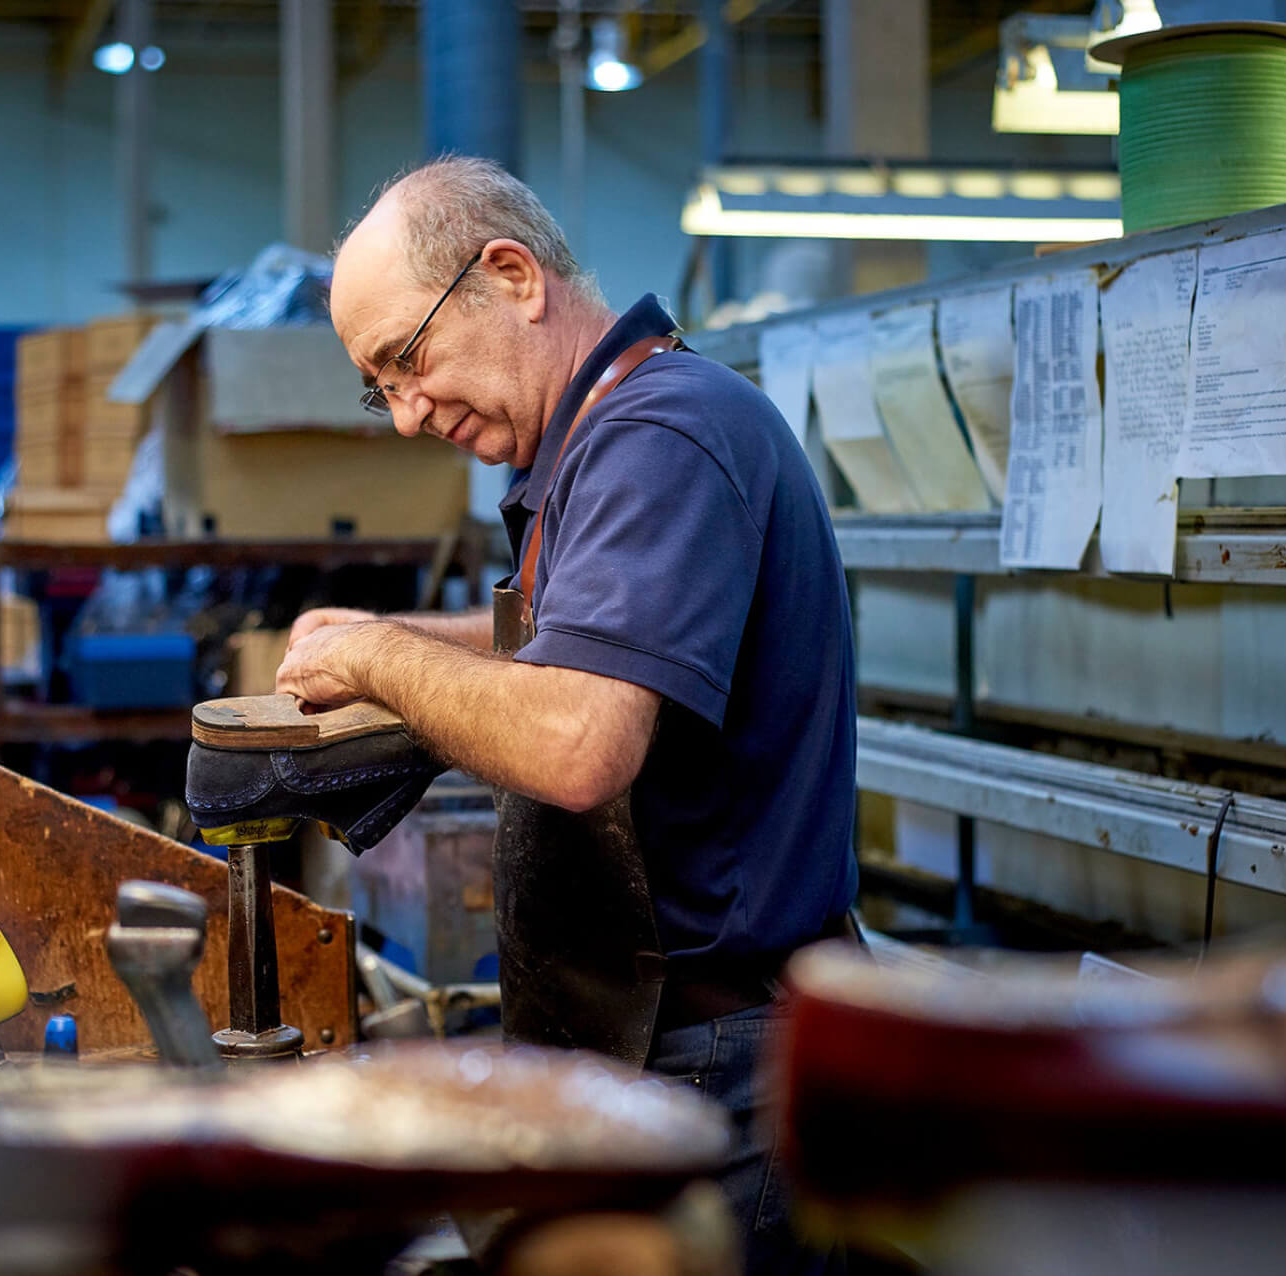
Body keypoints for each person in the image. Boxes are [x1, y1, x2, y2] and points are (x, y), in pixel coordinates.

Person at [276, 156, 857, 1274]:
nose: (405, 414)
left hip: (719, 1068)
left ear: (511, 276)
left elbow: (577, 739)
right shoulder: (603, 439)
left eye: (408, 360)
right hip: (668, 1049)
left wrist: (383, 657)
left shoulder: (660, 436)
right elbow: (568, 653)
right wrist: (375, 644)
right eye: (378, 385)